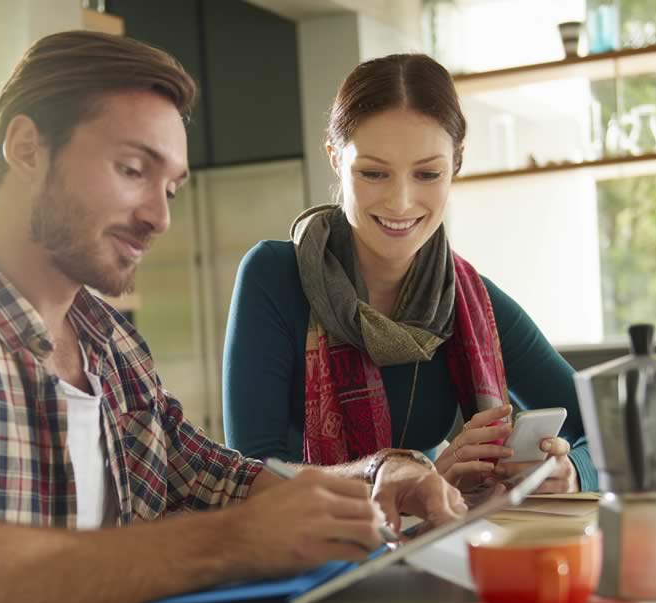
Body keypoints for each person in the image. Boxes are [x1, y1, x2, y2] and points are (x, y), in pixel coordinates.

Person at [0, 33, 464, 603]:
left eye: (170, 188)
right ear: (27, 147)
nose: (159, 218)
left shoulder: (110, 343)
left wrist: (374, 475)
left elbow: (217, 478)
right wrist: (230, 542)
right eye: (133, 170)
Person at [223, 54, 598, 495]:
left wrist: (568, 471)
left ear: (456, 163)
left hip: (437, 547)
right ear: (334, 158)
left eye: (427, 173)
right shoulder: (274, 276)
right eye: (374, 173)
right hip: (310, 558)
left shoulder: (468, 299)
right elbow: (251, 477)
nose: (401, 202)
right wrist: (420, 485)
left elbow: (603, 432)